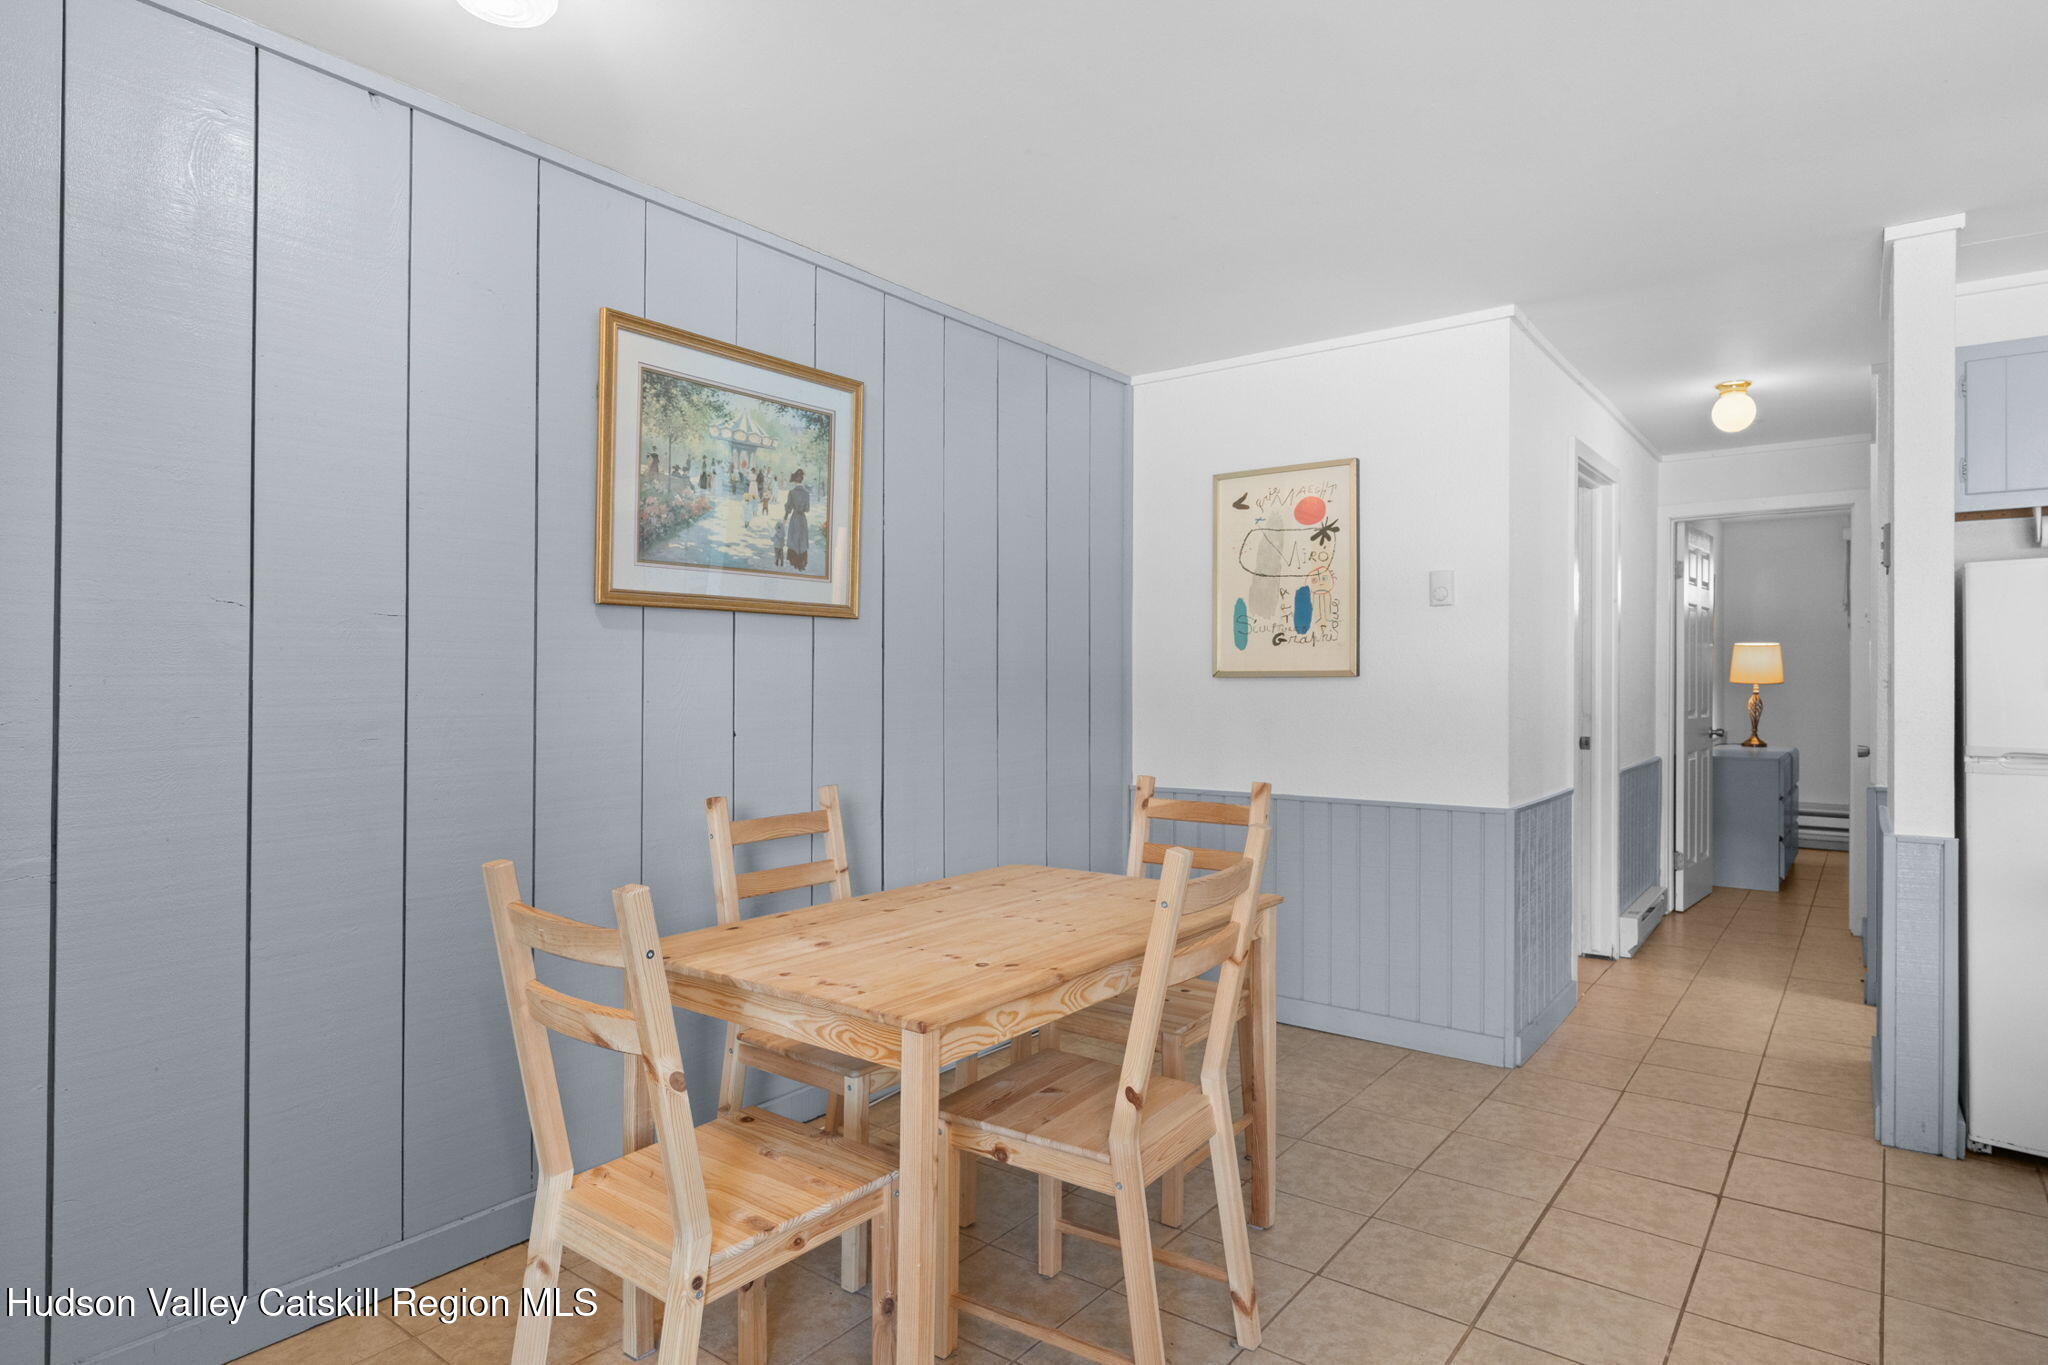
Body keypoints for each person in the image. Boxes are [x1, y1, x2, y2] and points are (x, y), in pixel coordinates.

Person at [782, 468, 811, 572]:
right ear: (802, 480)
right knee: (802, 538)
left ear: (795, 480)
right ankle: (802, 561)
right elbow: (807, 509)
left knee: (794, 537)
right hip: (802, 518)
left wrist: (785, 518)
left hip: (794, 518)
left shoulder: (792, 492)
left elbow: (788, 508)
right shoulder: (806, 493)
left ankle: (794, 561)